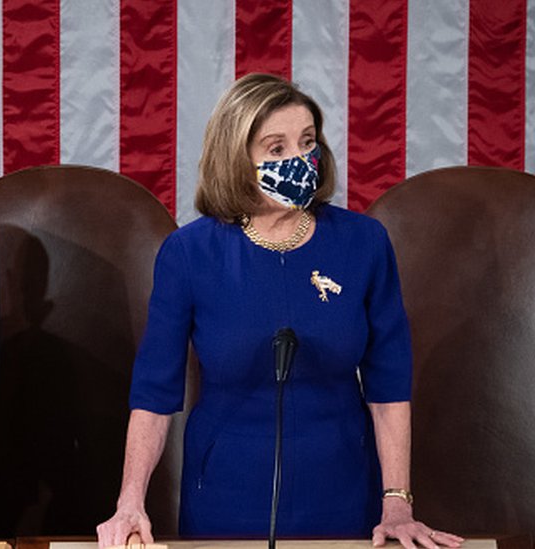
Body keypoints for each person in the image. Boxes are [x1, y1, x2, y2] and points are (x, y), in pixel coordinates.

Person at [96, 74, 462, 549]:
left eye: (307, 142)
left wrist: (398, 503)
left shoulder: (363, 243)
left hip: (343, 490)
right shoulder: (189, 253)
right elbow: (154, 393)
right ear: (237, 158)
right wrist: (130, 502)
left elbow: (389, 384)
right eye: (276, 148)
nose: (298, 160)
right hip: (225, 493)